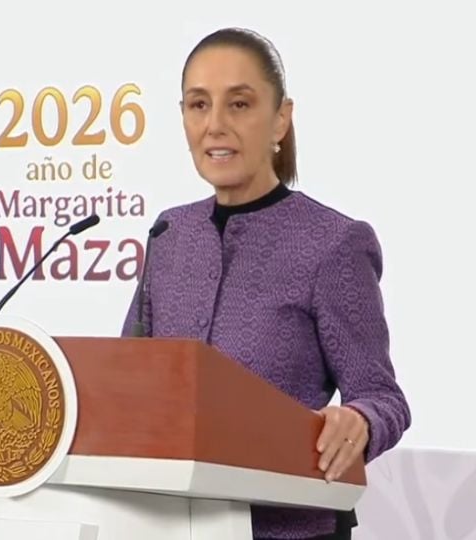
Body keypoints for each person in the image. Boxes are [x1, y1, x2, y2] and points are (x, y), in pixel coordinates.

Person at [121, 28, 411, 539]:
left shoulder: (333, 242)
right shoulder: (169, 233)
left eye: (239, 104)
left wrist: (360, 420)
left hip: (290, 528)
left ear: (280, 118)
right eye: (198, 105)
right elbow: (124, 378)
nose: (215, 125)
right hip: (169, 525)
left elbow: (383, 397)